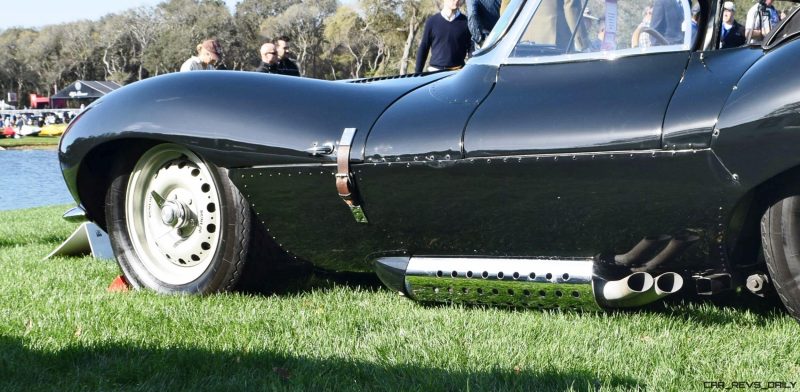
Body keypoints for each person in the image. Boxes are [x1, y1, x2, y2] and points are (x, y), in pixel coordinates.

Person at [415, 0, 471, 73]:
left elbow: (471, 48)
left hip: (458, 74)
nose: (456, 0)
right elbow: (424, 48)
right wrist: (417, 74)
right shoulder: (432, 22)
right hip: (434, 74)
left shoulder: (466, 22)